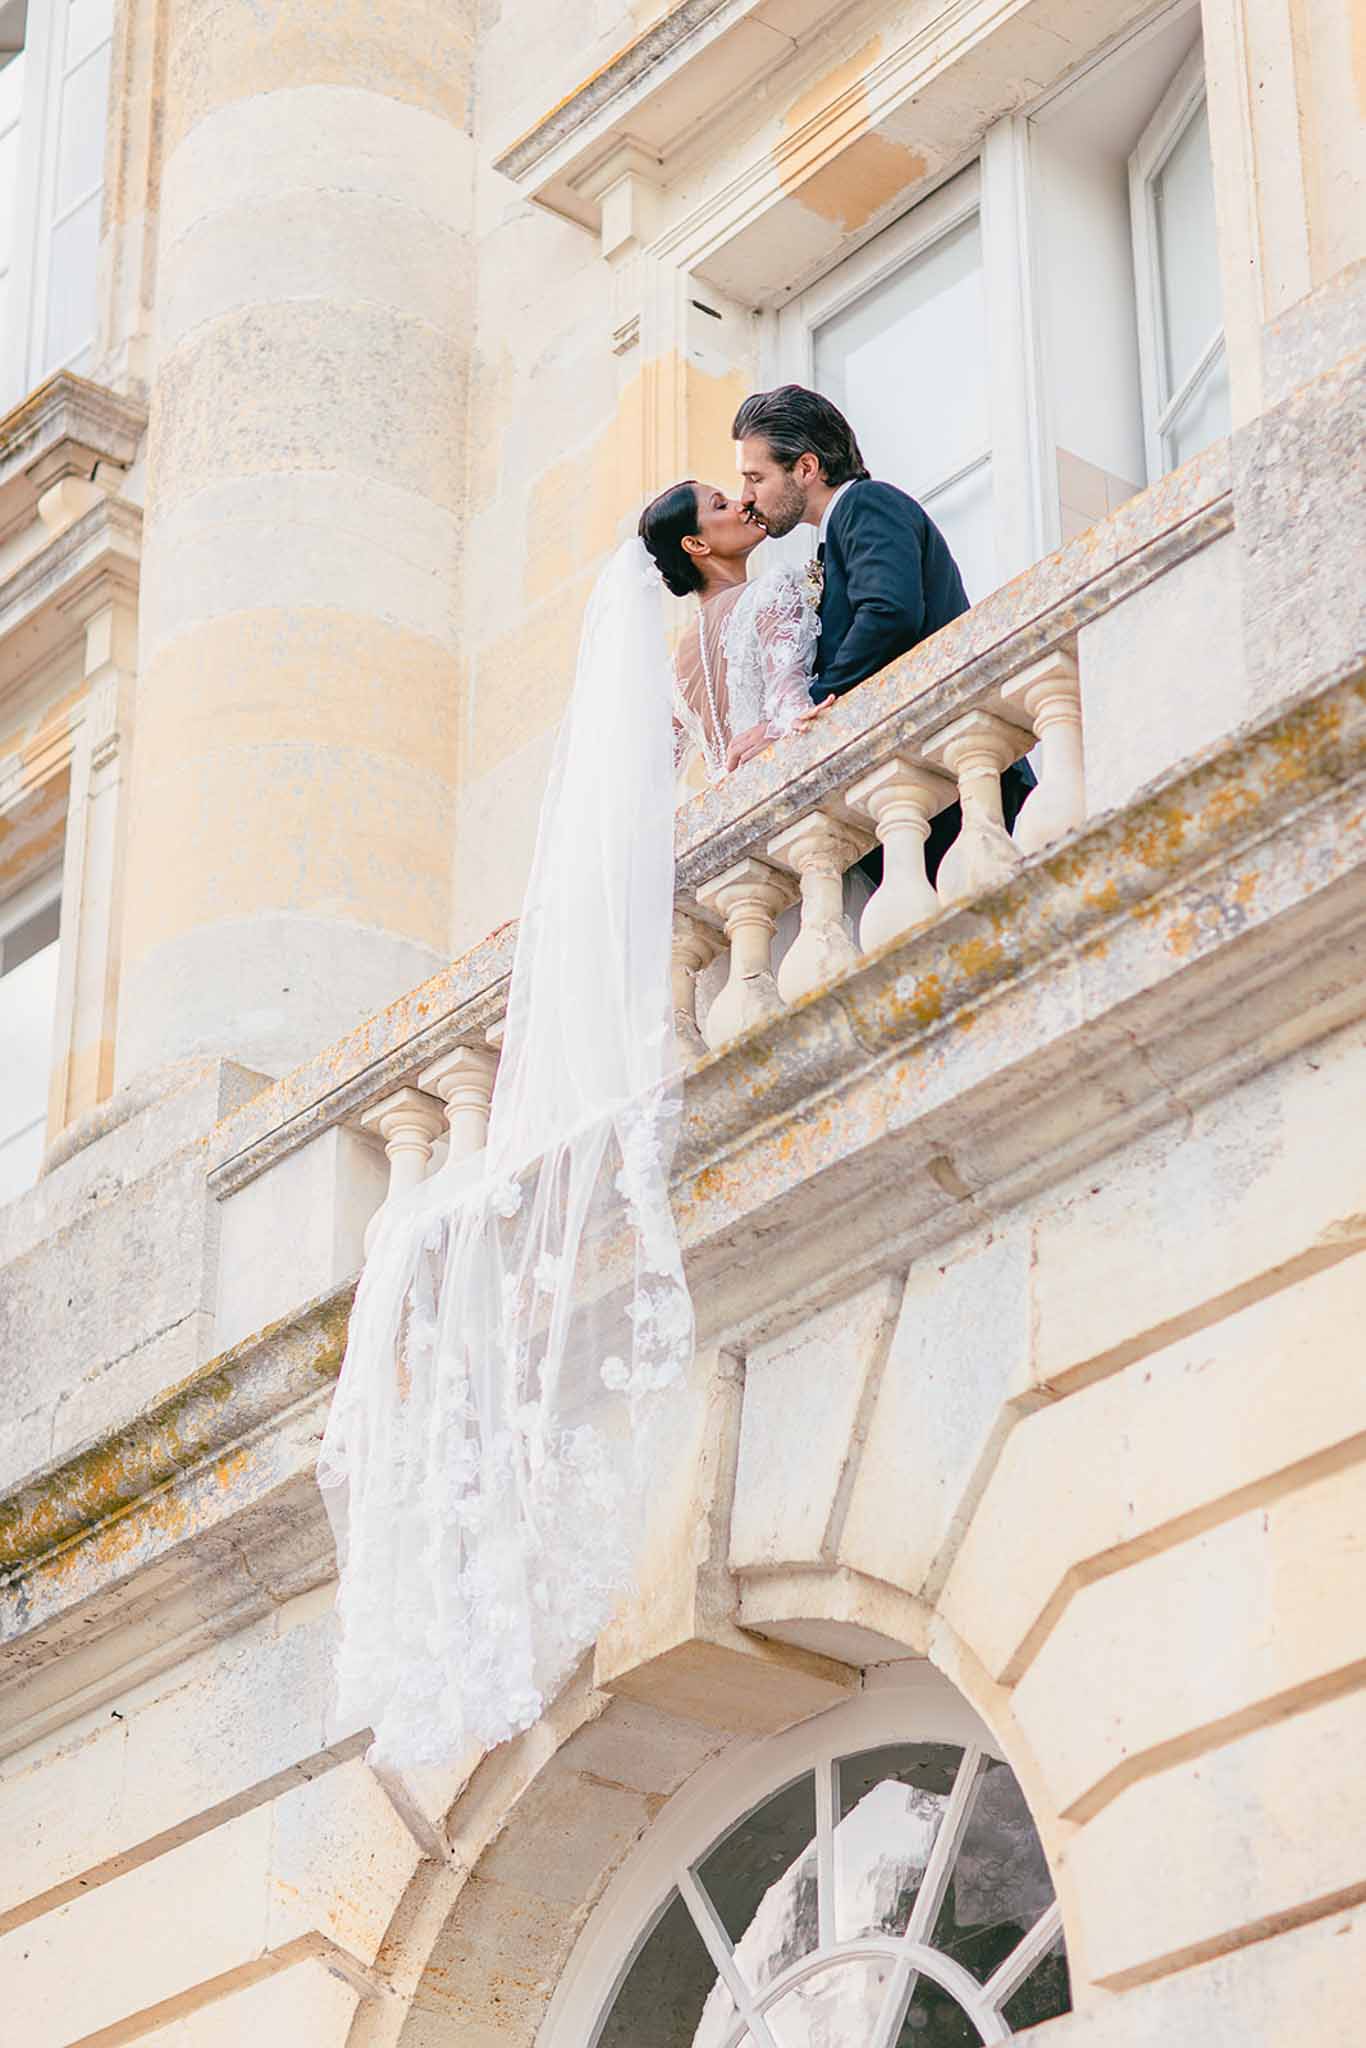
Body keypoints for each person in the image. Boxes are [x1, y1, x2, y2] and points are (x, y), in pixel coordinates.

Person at [731, 384, 1034, 875]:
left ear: (806, 468)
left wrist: (804, 711)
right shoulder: (833, 537)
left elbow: (889, 613)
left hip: (960, 784)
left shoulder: (867, 504)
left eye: (755, 477)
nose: (746, 497)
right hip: (920, 793)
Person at [637, 479, 823, 781]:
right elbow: (793, 712)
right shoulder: (770, 590)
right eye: (721, 505)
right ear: (696, 544)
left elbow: (652, 778)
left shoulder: (675, 669)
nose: (743, 505)